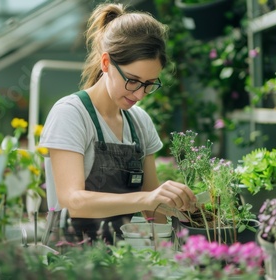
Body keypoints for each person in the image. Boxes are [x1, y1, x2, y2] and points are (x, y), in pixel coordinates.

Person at [39, 3, 196, 244]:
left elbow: (152, 211)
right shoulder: (71, 114)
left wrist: (183, 208)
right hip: (71, 256)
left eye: (149, 83)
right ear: (105, 63)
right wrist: (145, 199)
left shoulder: (140, 122)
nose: (140, 94)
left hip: (123, 253)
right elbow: (74, 202)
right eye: (133, 80)